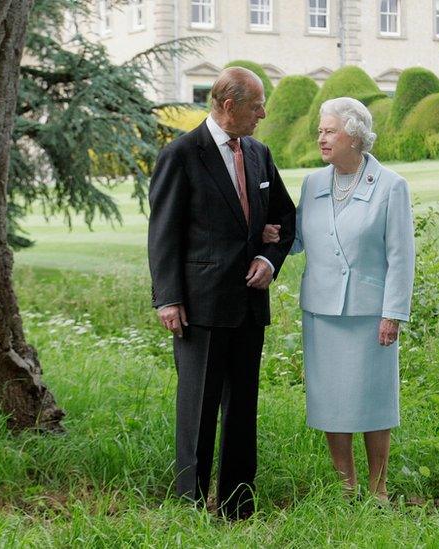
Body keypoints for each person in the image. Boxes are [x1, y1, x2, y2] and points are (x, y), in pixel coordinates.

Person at [147, 67, 296, 519]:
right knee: (198, 411)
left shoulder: (258, 152)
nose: (264, 114)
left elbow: (284, 220)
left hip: (249, 306)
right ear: (229, 106)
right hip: (200, 307)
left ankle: (237, 506)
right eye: (256, 106)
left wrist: (268, 258)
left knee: (242, 409)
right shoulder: (181, 154)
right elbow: (163, 233)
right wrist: (168, 298)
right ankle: (189, 506)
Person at [263, 97, 414, 502]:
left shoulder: (391, 186)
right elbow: (300, 239)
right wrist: (274, 237)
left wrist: (393, 314)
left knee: (374, 401)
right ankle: (345, 487)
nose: (322, 138)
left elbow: (401, 256)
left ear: (355, 136)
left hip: (370, 313)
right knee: (331, 400)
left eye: (329, 131)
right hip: (322, 311)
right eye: (320, 131)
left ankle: (378, 488)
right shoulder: (313, 183)